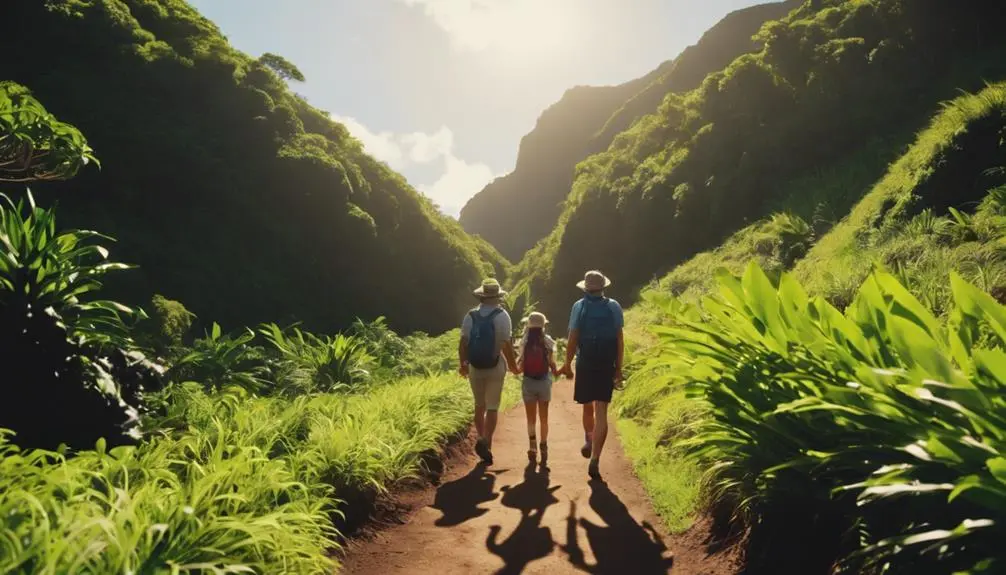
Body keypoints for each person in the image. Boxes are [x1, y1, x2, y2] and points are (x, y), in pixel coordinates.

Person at [558, 270, 624, 480]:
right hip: (606, 363)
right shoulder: (614, 306)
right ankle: (595, 458)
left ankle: (589, 438)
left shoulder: (579, 306)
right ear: (603, 287)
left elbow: (573, 337)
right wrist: (618, 368)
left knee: (587, 405)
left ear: (585, 288)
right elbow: (619, 339)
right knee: (601, 410)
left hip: (585, 362)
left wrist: (567, 364)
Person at [459, 278, 518, 465]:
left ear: (482, 296)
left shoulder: (470, 316)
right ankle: (486, 442)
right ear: (498, 296)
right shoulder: (502, 316)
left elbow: (463, 343)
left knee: (479, 405)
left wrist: (463, 364)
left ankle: (481, 436)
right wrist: (514, 366)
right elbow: (506, 345)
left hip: (475, 367)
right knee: (492, 406)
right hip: (495, 366)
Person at [515, 311, 557, 464]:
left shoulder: (524, 342)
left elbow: (520, 366)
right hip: (544, 382)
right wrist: (558, 370)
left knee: (530, 418)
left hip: (528, 382)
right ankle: (543, 445)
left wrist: (514, 369)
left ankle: (532, 446)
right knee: (544, 418)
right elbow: (552, 364)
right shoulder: (548, 341)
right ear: (543, 325)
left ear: (528, 325)